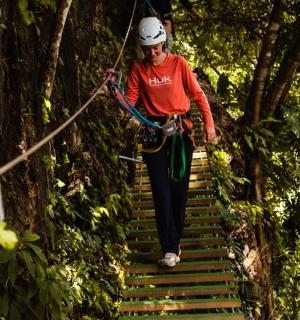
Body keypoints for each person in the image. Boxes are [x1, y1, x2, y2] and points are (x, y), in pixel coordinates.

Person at [107, 17, 216, 267]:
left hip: (180, 132)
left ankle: (175, 240)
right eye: (147, 49)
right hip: (154, 134)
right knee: (161, 191)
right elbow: (129, 105)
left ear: (163, 42)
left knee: (179, 188)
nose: (152, 53)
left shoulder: (179, 64)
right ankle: (169, 247)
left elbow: (198, 96)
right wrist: (116, 87)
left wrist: (209, 124)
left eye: (156, 47)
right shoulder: (139, 69)